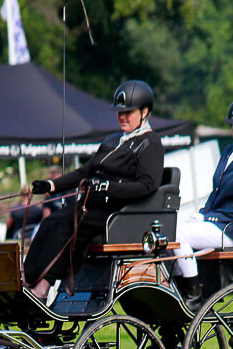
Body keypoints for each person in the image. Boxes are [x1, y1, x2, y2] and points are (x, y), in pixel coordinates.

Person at [22, 80, 164, 300]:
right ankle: (28, 277)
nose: (122, 117)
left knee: (65, 224)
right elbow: (85, 172)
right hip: (92, 203)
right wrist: (51, 185)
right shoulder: (113, 140)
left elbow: (148, 185)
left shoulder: (150, 143)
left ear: (144, 112)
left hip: (118, 210)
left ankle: (45, 283)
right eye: (119, 112)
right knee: (50, 221)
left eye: (128, 112)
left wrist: (109, 188)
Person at [169, 95, 233, 312]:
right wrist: (203, 212)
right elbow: (216, 192)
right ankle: (179, 285)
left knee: (179, 234)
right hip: (219, 224)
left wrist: (209, 218)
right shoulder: (229, 152)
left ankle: (193, 291)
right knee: (171, 226)